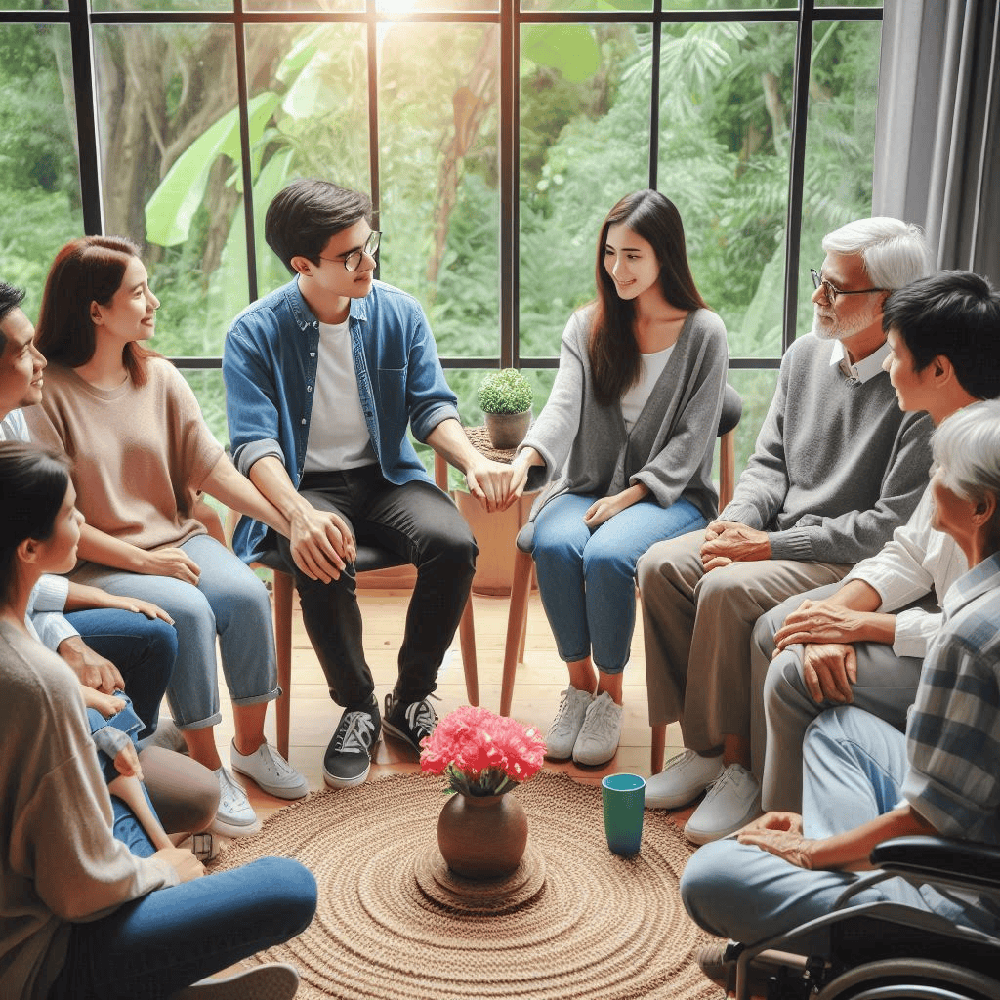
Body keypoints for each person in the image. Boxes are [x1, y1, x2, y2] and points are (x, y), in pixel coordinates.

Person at [637, 217, 935, 844]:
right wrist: (737, 521)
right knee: (663, 565)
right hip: (775, 533)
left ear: (890, 302)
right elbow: (769, 462)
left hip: (843, 557)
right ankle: (706, 751)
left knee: (727, 589)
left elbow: (885, 528)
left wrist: (767, 545)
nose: (818, 300)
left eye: (835, 290)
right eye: (819, 282)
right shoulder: (805, 356)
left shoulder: (916, 387)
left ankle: (745, 768)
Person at [681, 398, 1000, 970]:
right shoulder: (981, 593)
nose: (932, 478)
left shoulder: (973, 634)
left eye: (944, 471)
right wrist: (837, 620)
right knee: (841, 726)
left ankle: (846, 941)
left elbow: (927, 821)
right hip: (967, 825)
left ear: (981, 507)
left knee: (710, 877)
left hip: (967, 897)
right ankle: (841, 910)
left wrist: (814, 851)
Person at [0, 439, 316, 1000]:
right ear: (29, 548)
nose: (82, 523)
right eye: (71, 514)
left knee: (128, 770)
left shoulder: (26, 656)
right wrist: (165, 868)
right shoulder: (38, 684)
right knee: (290, 887)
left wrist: (107, 760)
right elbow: (77, 891)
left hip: (37, 876)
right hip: (41, 958)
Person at [224, 178, 512, 789]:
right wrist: (298, 514)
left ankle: (409, 700)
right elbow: (254, 445)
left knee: (455, 544)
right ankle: (357, 706)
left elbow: (430, 406)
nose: (369, 261)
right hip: (306, 483)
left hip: (384, 474)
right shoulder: (254, 333)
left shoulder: (399, 312)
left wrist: (473, 461)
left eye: (369, 243)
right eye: (350, 255)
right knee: (321, 549)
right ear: (303, 264)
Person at [24, 237, 309, 840]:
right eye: (137, 292)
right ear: (95, 310)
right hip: (101, 556)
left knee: (245, 595)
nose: (152, 301)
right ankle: (207, 767)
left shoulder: (159, 377)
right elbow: (60, 519)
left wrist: (291, 519)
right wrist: (143, 561)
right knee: (187, 610)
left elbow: (212, 470)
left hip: (175, 537)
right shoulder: (47, 397)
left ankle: (250, 748)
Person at [751, 271, 1000, 813]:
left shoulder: (986, 460)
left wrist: (860, 625)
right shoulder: (951, 433)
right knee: (782, 626)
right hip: (938, 623)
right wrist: (831, 617)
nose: (886, 366)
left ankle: (787, 831)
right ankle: (770, 786)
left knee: (794, 671)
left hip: (962, 660)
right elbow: (910, 551)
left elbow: (981, 636)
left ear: (939, 369)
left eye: (894, 352)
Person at [504, 190, 728, 766]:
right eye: (610, 253)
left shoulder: (705, 333)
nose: (617, 268)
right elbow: (561, 407)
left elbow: (693, 438)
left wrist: (631, 496)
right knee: (554, 542)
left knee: (607, 556)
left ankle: (611, 694)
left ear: (664, 257)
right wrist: (526, 459)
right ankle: (578, 686)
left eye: (633, 255)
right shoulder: (587, 326)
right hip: (586, 483)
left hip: (671, 496)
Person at [0, 279, 219, 839]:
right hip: (25, 657)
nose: (39, 358)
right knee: (197, 796)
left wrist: (78, 627)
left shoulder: (14, 422)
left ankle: (128, 747)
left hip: (31, 618)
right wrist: (70, 659)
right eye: (23, 351)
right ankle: (113, 769)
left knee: (153, 629)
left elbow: (19, 583)